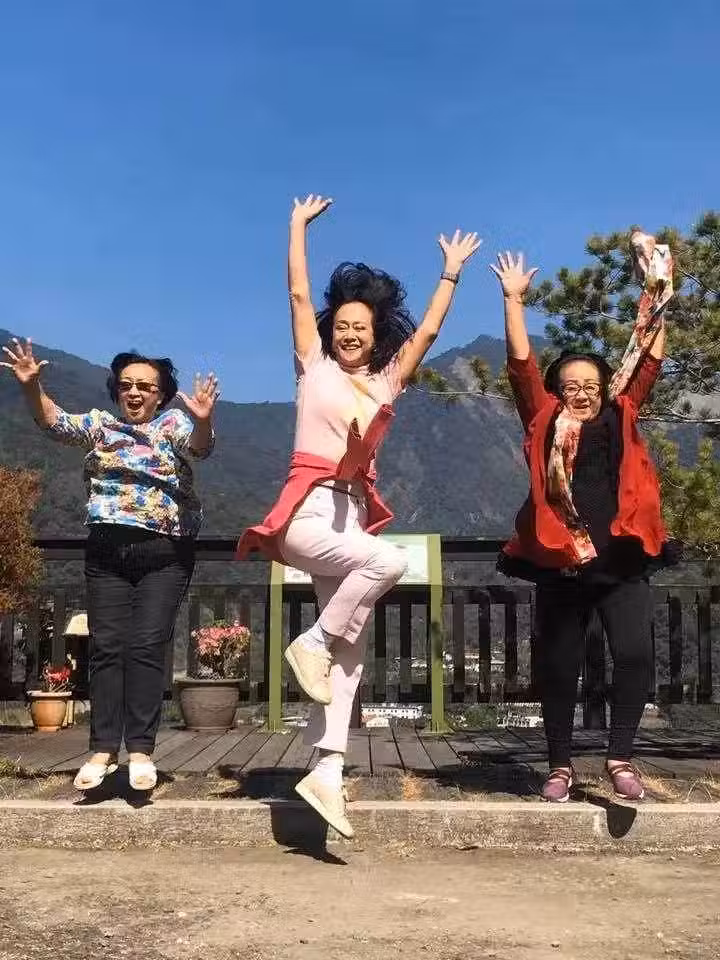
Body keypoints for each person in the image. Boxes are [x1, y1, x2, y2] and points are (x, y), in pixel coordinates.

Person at [238, 195, 480, 836]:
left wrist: (450, 274)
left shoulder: (387, 381)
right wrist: (295, 226)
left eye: (361, 328)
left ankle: (326, 771)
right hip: (308, 512)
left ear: (376, 336)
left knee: (349, 658)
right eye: (341, 324)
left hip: (351, 517)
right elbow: (297, 295)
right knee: (388, 562)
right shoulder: (311, 365)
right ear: (330, 330)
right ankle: (310, 641)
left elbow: (427, 334)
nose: (349, 334)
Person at [491, 235, 675, 803]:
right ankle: (560, 765)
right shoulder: (543, 418)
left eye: (590, 385)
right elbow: (520, 366)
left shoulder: (622, 412)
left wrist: (659, 286)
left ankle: (620, 758)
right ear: (556, 392)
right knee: (558, 665)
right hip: (563, 564)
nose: (581, 393)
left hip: (621, 561)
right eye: (570, 386)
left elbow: (649, 356)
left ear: (604, 388)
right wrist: (513, 300)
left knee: (636, 655)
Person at [1, 338, 218, 791]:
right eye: (126, 385)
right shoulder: (101, 426)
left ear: (161, 395)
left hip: (164, 553)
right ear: (116, 390)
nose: (134, 392)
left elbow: (199, 447)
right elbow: (55, 423)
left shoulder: (173, 424)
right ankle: (102, 750)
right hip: (106, 552)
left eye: (145, 386)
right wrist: (31, 386)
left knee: (146, 646)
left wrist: (203, 420)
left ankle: (140, 751)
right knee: (106, 648)